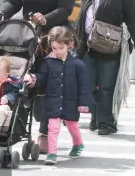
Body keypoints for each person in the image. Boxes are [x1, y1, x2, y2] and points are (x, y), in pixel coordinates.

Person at [0, 0, 77, 153]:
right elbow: (13, 1)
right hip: (28, 34)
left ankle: (44, 132)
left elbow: (65, 9)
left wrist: (45, 18)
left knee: (48, 84)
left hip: (54, 36)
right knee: (19, 80)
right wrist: (2, 13)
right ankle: (10, 125)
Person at [76, 0, 135, 135]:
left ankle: (106, 122)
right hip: (89, 45)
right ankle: (95, 116)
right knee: (88, 85)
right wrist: (74, 40)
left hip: (111, 46)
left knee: (107, 86)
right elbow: (82, 15)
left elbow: (132, 17)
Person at [26, 26, 90, 165]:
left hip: (70, 102)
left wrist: (83, 103)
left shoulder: (77, 64)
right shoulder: (48, 62)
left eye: (61, 48)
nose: (58, 51)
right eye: (54, 48)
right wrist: (33, 78)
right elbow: (42, 76)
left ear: (69, 44)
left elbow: (84, 86)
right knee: (53, 128)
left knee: (72, 126)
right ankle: (52, 154)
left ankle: (78, 144)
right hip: (53, 101)